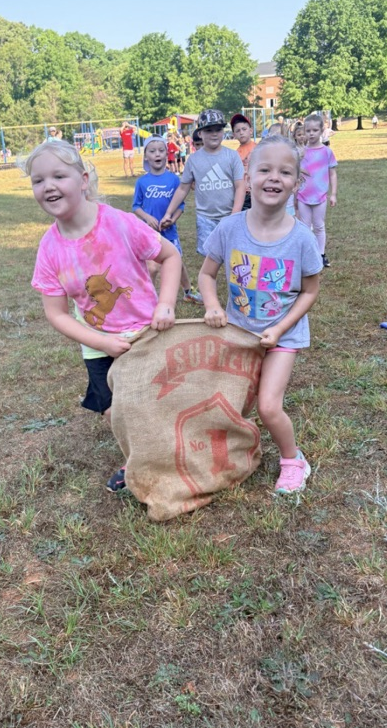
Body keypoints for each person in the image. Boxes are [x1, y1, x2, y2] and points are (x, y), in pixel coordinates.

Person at [28, 139, 181, 492]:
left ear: (83, 179)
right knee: (114, 411)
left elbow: (170, 257)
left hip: (148, 333)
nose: (48, 186)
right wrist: (102, 343)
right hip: (99, 344)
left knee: (155, 402)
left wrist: (166, 305)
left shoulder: (120, 223)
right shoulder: (49, 248)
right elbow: (56, 313)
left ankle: (169, 455)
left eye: (58, 176)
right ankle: (136, 462)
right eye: (38, 180)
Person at [198, 135, 322, 493]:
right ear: (248, 175)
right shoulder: (229, 228)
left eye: (285, 172)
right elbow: (206, 274)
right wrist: (212, 305)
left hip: (282, 336)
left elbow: (310, 291)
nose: (273, 178)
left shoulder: (301, 239)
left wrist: (281, 327)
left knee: (268, 406)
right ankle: (229, 453)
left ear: (297, 183)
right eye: (264, 169)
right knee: (232, 402)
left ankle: (293, 460)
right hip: (240, 334)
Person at [160, 109, 246, 256]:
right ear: (200, 133)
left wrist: (234, 215)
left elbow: (240, 186)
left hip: (229, 216)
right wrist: (168, 213)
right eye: (208, 130)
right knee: (209, 259)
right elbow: (182, 188)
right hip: (205, 219)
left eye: (218, 130)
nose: (214, 134)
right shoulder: (193, 160)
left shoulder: (232, 156)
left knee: (234, 257)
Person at [132, 136, 203, 304]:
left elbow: (181, 205)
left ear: (167, 154)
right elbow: (136, 206)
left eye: (161, 150)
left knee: (177, 262)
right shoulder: (142, 182)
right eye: (152, 151)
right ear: (146, 157)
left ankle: (188, 292)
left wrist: (172, 219)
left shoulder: (173, 179)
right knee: (152, 267)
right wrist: (148, 218)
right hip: (149, 234)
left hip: (169, 232)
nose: (157, 154)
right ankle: (147, 297)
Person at [298, 113, 338, 268]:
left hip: (320, 196)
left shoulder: (326, 152)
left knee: (319, 226)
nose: (311, 134)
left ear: (322, 131)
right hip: (303, 196)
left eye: (315, 130)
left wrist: (333, 194)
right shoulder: (301, 152)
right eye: (308, 131)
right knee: (305, 226)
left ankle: (321, 254)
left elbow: (333, 174)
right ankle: (307, 254)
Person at [231, 113, 256, 211]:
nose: (241, 132)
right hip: (243, 193)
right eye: (238, 131)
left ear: (250, 131)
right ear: (234, 135)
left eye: (244, 129)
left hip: (256, 191)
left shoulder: (259, 148)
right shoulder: (234, 154)